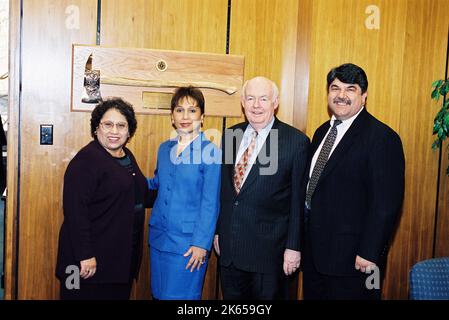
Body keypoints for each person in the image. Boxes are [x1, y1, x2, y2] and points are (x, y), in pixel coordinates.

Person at [302, 63, 405, 300]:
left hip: (355, 262)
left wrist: (370, 252)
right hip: (315, 257)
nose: (341, 95)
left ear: (364, 96)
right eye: (335, 88)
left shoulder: (382, 138)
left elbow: (386, 204)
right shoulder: (321, 133)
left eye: (351, 89)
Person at [214, 76, 310, 299]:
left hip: (269, 255)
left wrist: (294, 247)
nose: (256, 105)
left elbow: (298, 201)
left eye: (263, 99)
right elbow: (225, 192)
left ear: (275, 102)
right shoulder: (230, 135)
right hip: (229, 251)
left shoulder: (296, 142)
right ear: (243, 102)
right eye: (250, 98)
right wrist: (219, 230)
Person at [55, 97, 155, 300]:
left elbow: (141, 193)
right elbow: (76, 212)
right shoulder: (86, 161)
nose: (114, 131)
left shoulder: (126, 155)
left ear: (129, 131)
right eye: (108, 124)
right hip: (85, 264)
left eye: (121, 125)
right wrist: (85, 255)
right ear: (96, 128)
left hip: (116, 262)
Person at [148, 86, 221, 300]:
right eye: (179, 110)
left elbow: (211, 203)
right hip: (159, 239)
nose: (185, 116)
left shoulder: (212, 153)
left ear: (202, 116)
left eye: (192, 110)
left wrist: (201, 243)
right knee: (158, 294)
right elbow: (157, 183)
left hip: (188, 246)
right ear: (172, 116)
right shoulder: (164, 148)